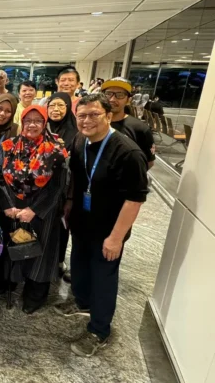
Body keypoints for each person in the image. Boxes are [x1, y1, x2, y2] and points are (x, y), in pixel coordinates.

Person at [55, 93, 148, 357]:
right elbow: (78, 176)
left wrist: (116, 238)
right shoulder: (80, 140)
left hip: (109, 228)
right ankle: (81, 301)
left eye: (94, 114)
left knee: (104, 276)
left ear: (108, 115)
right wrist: (71, 202)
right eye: (81, 115)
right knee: (80, 265)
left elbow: (134, 199)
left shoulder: (128, 152)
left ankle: (99, 330)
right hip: (83, 221)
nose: (87, 120)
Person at [0, 105, 68, 314]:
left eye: (38, 121)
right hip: (14, 209)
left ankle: (35, 295)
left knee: (40, 254)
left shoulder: (55, 151)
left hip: (42, 212)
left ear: (44, 124)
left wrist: (34, 210)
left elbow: (58, 186)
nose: (32, 125)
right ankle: (12, 283)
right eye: (28, 120)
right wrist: (8, 205)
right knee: (16, 247)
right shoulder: (9, 146)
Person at [46, 92, 79, 282]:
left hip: (64, 191)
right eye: (52, 106)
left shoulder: (75, 134)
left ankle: (58, 261)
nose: (56, 110)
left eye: (60, 106)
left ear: (68, 108)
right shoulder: (43, 128)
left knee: (61, 227)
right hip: (43, 191)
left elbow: (75, 169)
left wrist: (70, 197)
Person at [102, 78, 155, 169]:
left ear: (128, 100)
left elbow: (148, 162)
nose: (112, 99)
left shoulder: (139, 128)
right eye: (108, 94)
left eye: (120, 95)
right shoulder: (94, 123)